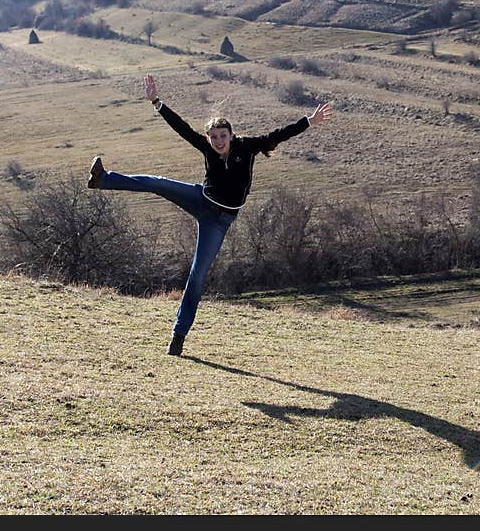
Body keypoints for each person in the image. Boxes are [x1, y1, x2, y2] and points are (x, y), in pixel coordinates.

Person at [87, 74, 333, 356]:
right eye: (214, 137)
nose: (218, 142)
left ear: (231, 135)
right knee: (156, 183)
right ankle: (102, 179)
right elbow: (182, 129)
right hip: (199, 199)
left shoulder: (247, 147)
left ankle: (178, 336)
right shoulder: (206, 146)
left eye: (223, 136)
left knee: (198, 273)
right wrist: (157, 102)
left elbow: (278, 135)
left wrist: (308, 121)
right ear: (209, 138)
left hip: (218, 222)